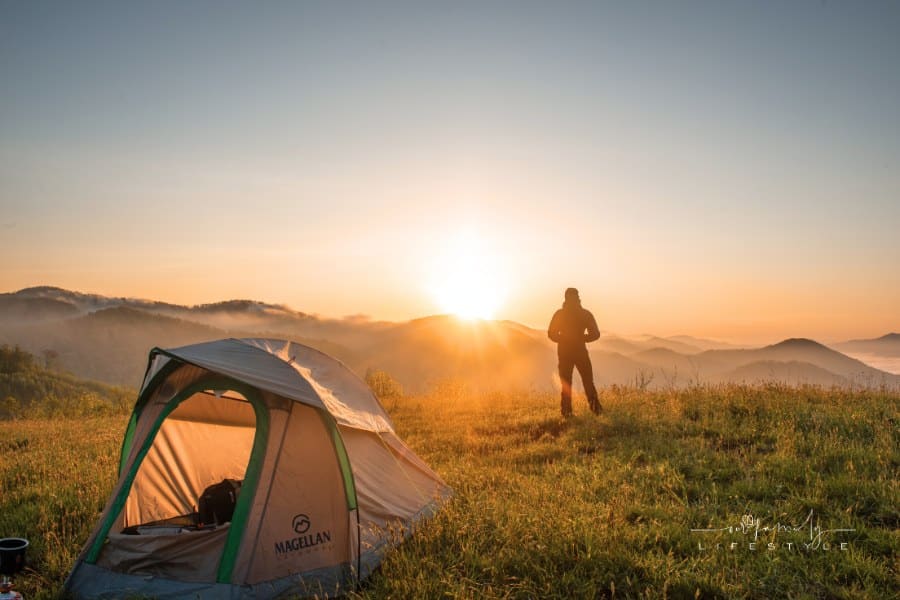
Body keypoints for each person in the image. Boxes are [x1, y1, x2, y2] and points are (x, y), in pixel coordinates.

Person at [547, 287, 602, 417]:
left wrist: (563, 339)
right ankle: (596, 410)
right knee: (588, 381)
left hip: (564, 352)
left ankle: (566, 413)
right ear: (578, 298)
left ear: (565, 298)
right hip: (580, 351)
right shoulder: (585, 314)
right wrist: (582, 338)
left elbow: (551, 334)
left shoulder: (559, 314)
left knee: (566, 383)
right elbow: (595, 334)